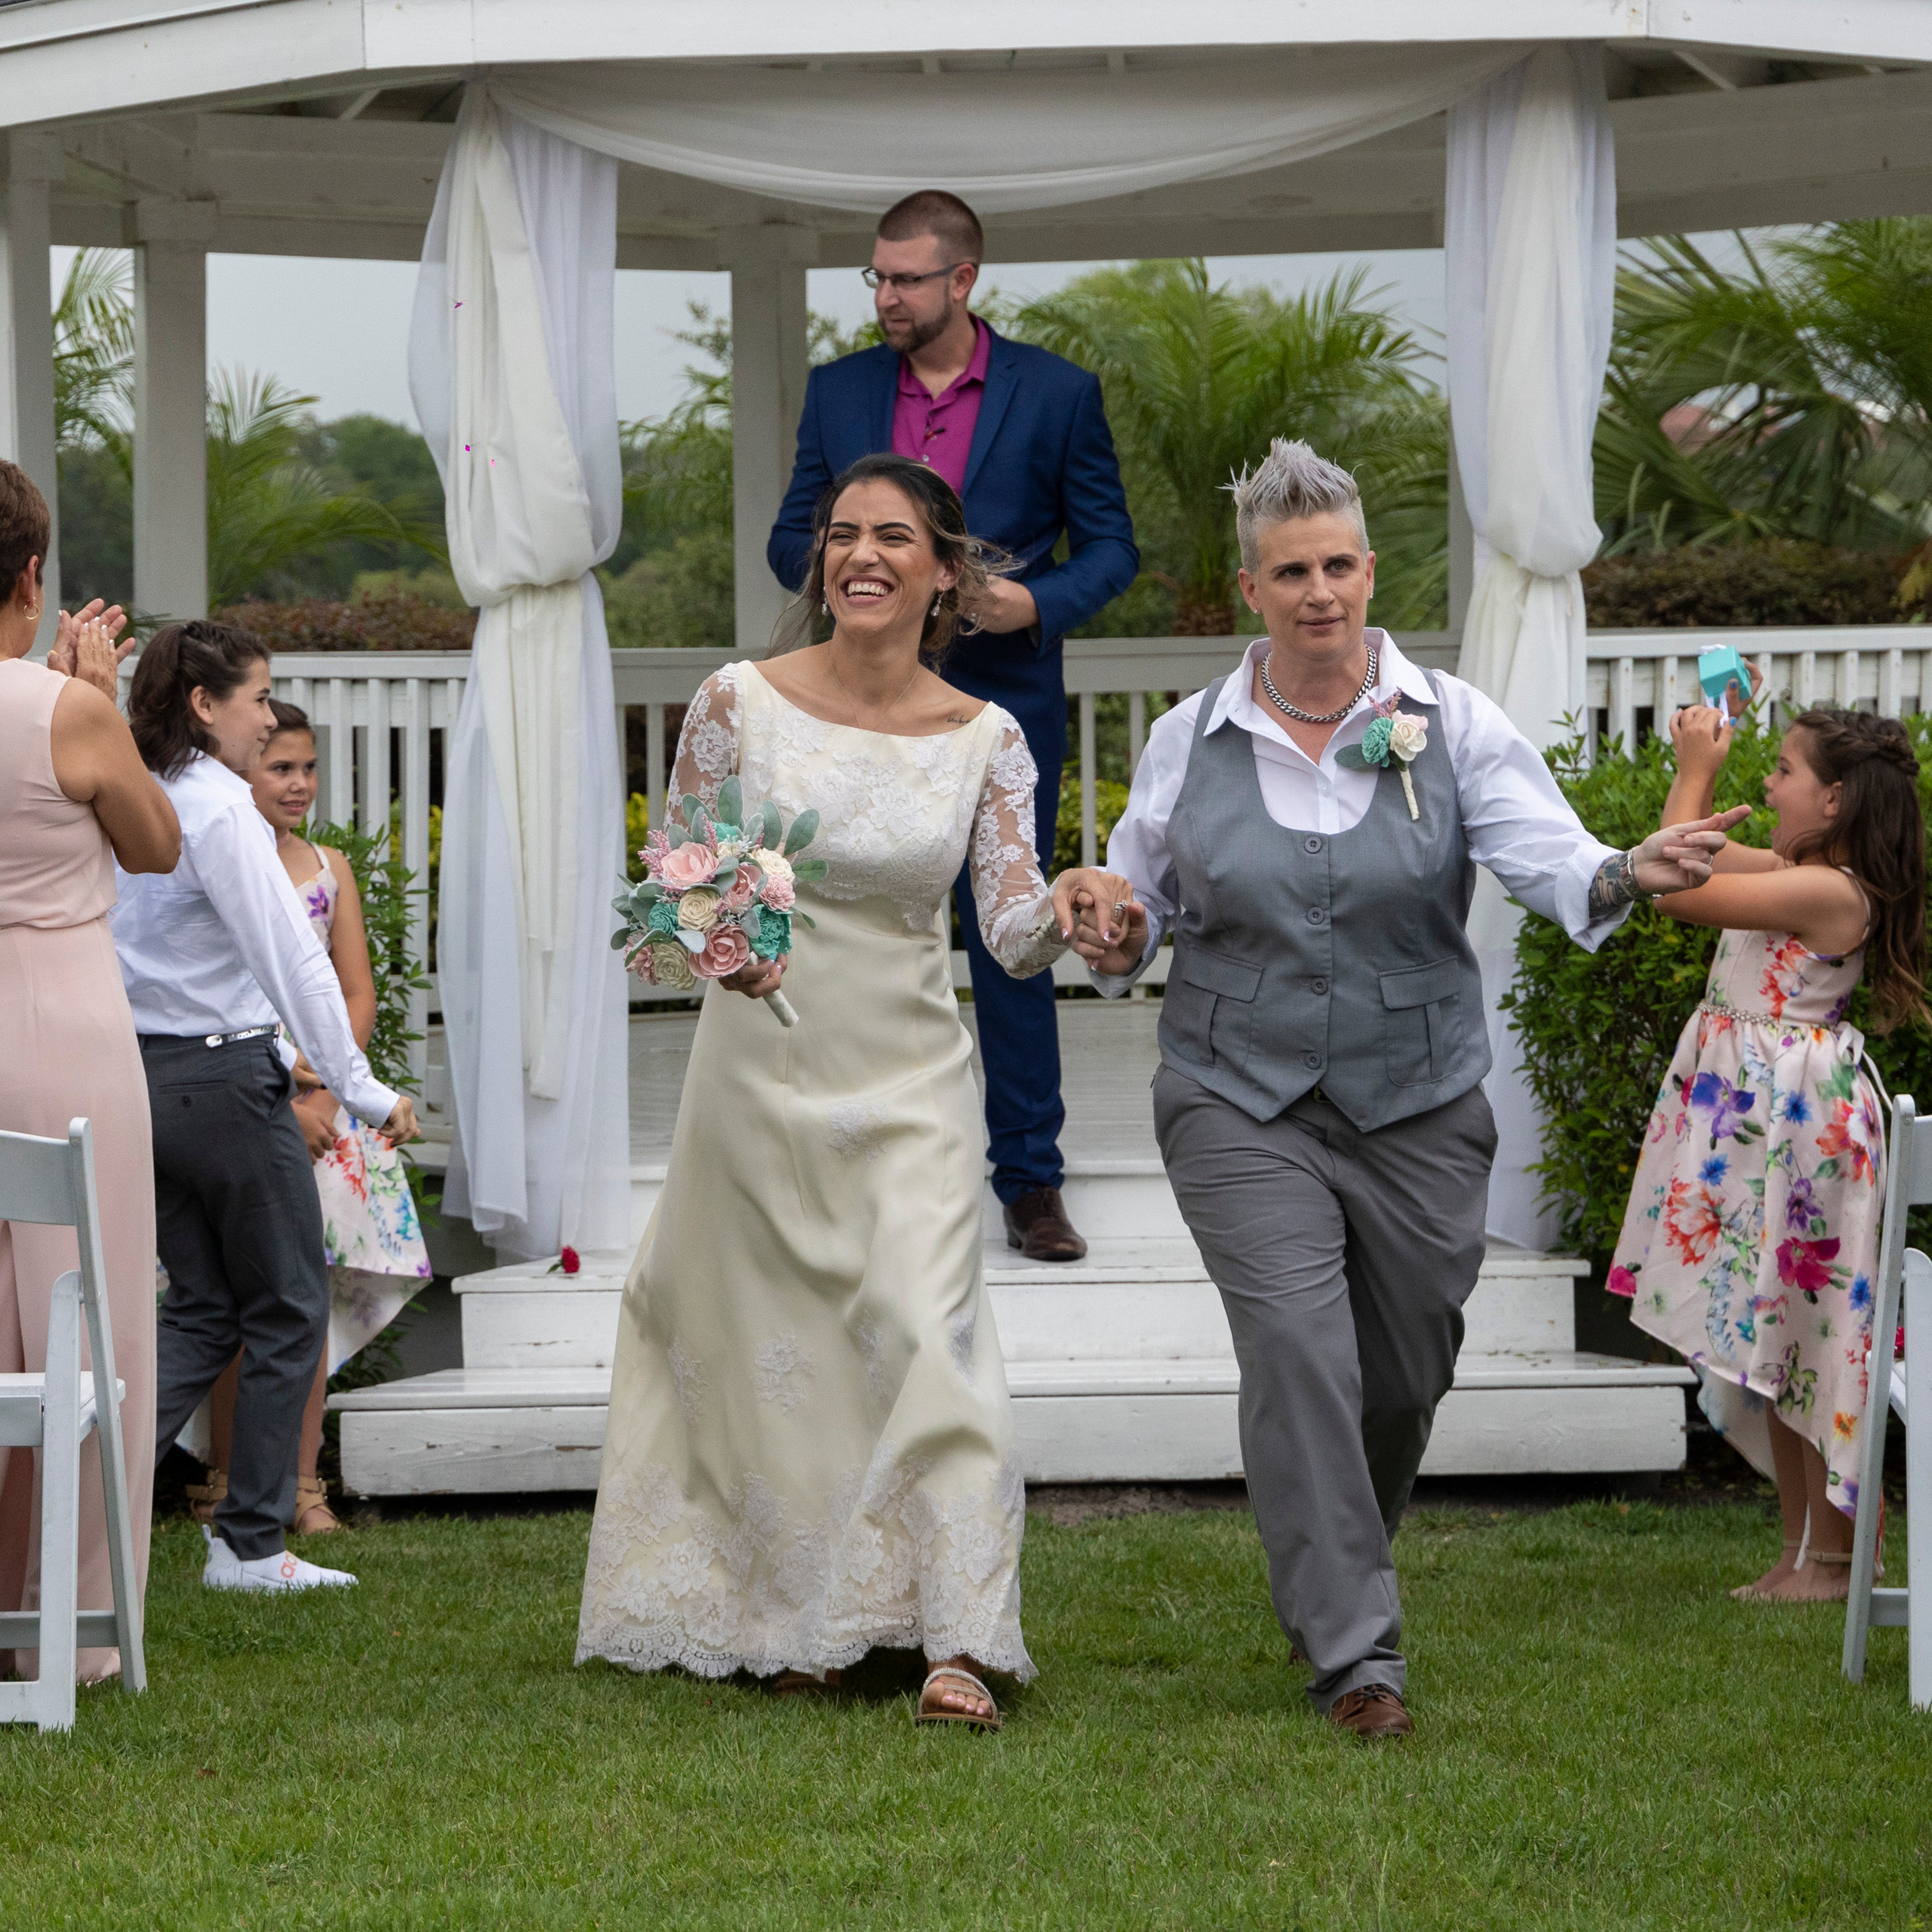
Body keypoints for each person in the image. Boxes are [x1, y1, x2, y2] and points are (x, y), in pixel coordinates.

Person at [1056, 440, 1744, 1739]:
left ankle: (1335, 1552)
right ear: (1250, 589)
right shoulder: (1187, 740)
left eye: (1338, 566)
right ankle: (1358, 1660)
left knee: (1404, 1370)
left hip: (1419, 1096)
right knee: (1300, 1354)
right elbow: (1140, 906)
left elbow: (1556, 861)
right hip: (1234, 1093)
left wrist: (1631, 869)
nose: (1319, 592)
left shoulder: (1452, 723)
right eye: (1289, 572)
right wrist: (1109, 929)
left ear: (1369, 572)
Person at [580, 454, 1134, 1727]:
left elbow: (1005, 929)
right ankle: (804, 1619)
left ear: (947, 570)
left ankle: (960, 1638)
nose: (861, 556)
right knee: (786, 1357)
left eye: (892, 536)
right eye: (842, 535)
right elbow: (663, 908)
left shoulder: (987, 737)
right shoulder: (736, 702)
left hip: (910, 1079)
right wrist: (713, 925)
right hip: (757, 1077)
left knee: (927, 1329)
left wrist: (1074, 909)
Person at [768, 190, 1139, 1262]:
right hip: (853, 699)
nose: (885, 297)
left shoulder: (1060, 394)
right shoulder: (838, 392)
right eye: (876, 279)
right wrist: (869, 580)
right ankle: (839, 1157)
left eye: (905, 279)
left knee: (1008, 935)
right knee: (842, 921)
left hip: (1002, 704)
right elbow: (795, 532)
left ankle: (1030, 1180)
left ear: (962, 281)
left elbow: (1112, 547)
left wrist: (1037, 604)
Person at [114, 623, 417, 1595]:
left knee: (205, 1306)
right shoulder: (216, 809)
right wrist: (363, 1092)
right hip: (222, 1079)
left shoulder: (128, 787)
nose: (265, 717)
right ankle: (247, 1544)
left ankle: (79, 1488)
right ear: (206, 706)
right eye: (257, 699)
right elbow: (294, 963)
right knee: (288, 1304)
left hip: (141, 1079)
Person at [1607, 695, 1925, 1601]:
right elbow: (1686, 856)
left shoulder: (1831, 888)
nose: (1768, 782)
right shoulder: (1797, 865)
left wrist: (1695, 772)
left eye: (1784, 771)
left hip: (1800, 1127)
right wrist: (1694, 796)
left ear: (1833, 801)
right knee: (1774, 1332)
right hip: (1762, 1123)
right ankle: (1799, 1551)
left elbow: (1680, 889)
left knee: (1806, 1332)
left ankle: (1829, 1559)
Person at [0, 460, 180, 1685]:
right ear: (31, 575)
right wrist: (96, 695)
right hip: (63, 1028)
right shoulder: (63, 711)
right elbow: (159, 845)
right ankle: (68, 1623)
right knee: (84, 1309)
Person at [189, 700, 431, 1538]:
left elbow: (351, 991)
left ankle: (301, 1482)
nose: (297, 783)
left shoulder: (328, 867)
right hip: (239, 1093)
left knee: (305, 1298)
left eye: (307, 767)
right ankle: (223, 1479)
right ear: (240, 771)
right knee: (229, 1294)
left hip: (327, 1104)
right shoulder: (211, 860)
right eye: (278, 766)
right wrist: (276, 1101)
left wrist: (329, 1096)